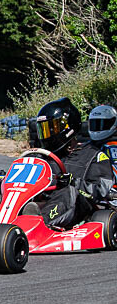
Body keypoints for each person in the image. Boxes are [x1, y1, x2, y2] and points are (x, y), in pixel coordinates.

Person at [32, 98, 114, 229]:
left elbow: (102, 190)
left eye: (51, 129)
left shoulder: (94, 155)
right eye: (44, 130)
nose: (47, 135)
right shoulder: (42, 157)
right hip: (44, 201)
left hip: (77, 207)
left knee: (67, 192)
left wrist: (74, 182)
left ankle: (37, 224)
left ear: (67, 128)